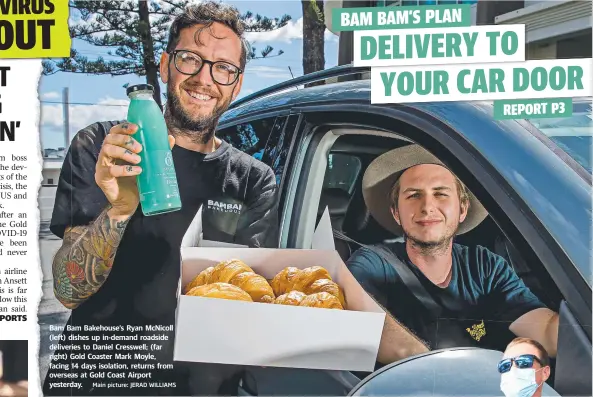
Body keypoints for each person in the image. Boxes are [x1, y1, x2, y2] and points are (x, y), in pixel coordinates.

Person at [43, 2, 279, 395]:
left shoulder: (253, 179)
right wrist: (119, 209)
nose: (205, 78)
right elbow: (68, 292)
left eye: (223, 68)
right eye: (191, 59)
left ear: (236, 84)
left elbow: (250, 302)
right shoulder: (105, 148)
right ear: (167, 64)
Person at [346, 144, 559, 365]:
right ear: (396, 213)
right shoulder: (372, 264)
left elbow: (544, 330)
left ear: (462, 210)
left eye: (440, 194)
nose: (427, 206)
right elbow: (356, 319)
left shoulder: (485, 265)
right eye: (413, 196)